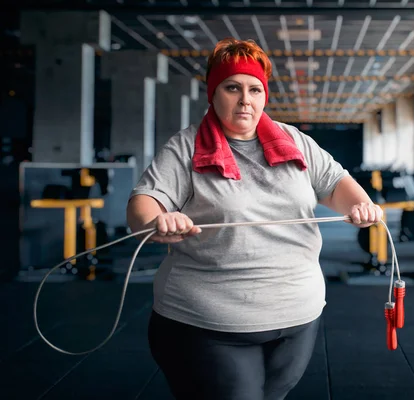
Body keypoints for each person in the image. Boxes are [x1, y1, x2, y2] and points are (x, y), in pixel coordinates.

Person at [126, 37, 383, 400]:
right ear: (213, 93)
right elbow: (144, 204)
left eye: (255, 89)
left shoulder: (294, 140)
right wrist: (157, 222)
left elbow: (336, 184)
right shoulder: (185, 147)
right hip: (209, 322)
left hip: (298, 316)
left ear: (265, 95)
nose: (245, 99)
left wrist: (361, 206)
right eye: (232, 88)